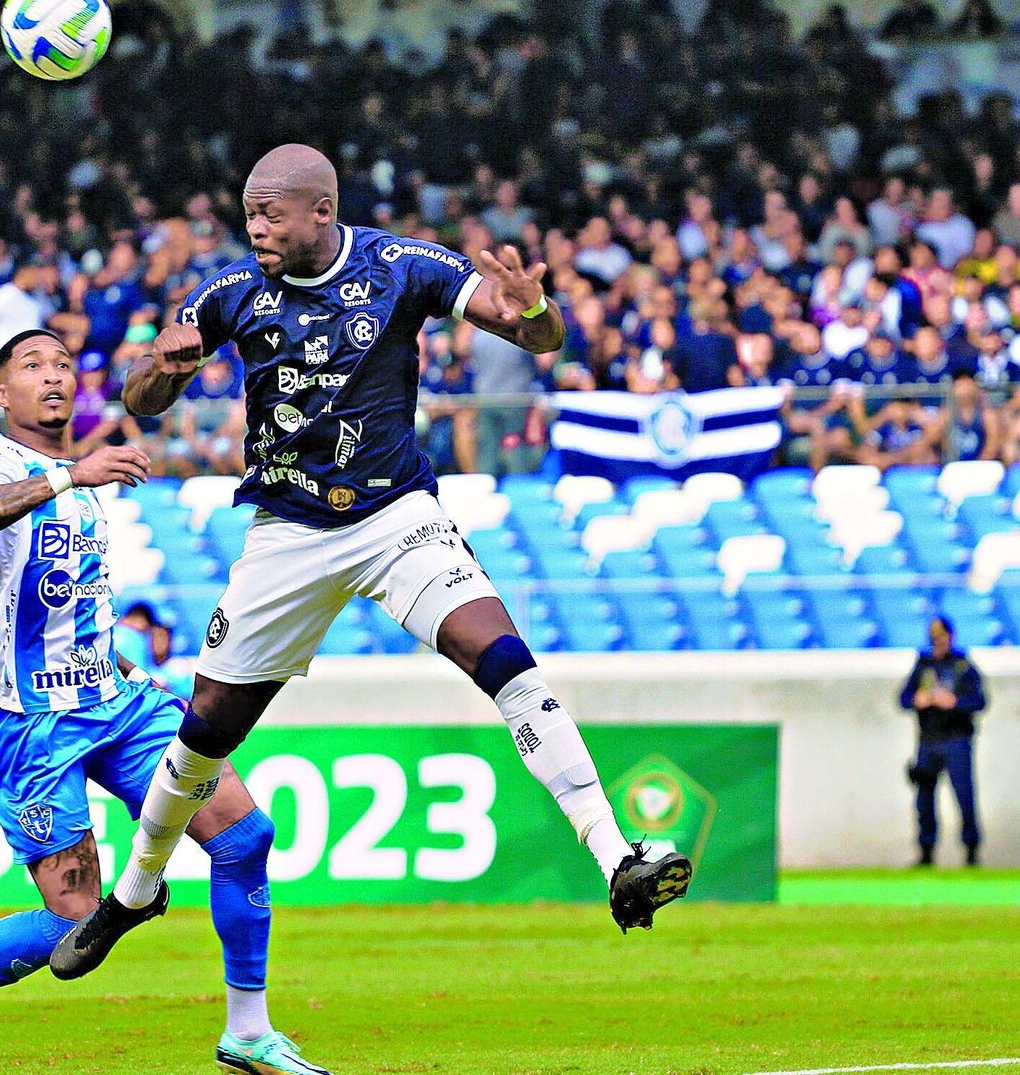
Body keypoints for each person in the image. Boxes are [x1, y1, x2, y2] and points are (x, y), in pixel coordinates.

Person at [51, 144, 691, 985]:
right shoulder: (230, 291)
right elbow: (141, 397)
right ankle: (133, 893)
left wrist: (538, 310)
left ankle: (616, 857)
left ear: (322, 210)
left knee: (505, 659)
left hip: (396, 516)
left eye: (270, 214)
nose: (256, 229)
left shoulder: (403, 266)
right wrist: (158, 371)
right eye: (249, 214)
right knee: (206, 729)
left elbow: (534, 332)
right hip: (286, 532)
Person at [0, 328, 329, 1075]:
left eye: (62, 363)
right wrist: (70, 476)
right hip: (33, 726)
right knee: (76, 922)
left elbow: (72, 600)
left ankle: (247, 1029)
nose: (53, 375)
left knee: (245, 837)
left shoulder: (78, 482)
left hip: (116, 705)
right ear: (2, 393)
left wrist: (124, 664)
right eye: (32, 366)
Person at [899, 616, 987, 867]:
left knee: (964, 796)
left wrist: (954, 702)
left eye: (942, 637)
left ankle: (971, 851)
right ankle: (926, 851)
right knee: (924, 799)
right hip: (928, 740)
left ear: (951, 637)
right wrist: (919, 699)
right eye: (934, 638)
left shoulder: (962, 666)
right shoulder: (923, 666)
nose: (938, 642)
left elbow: (980, 701)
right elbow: (904, 698)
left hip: (956, 740)